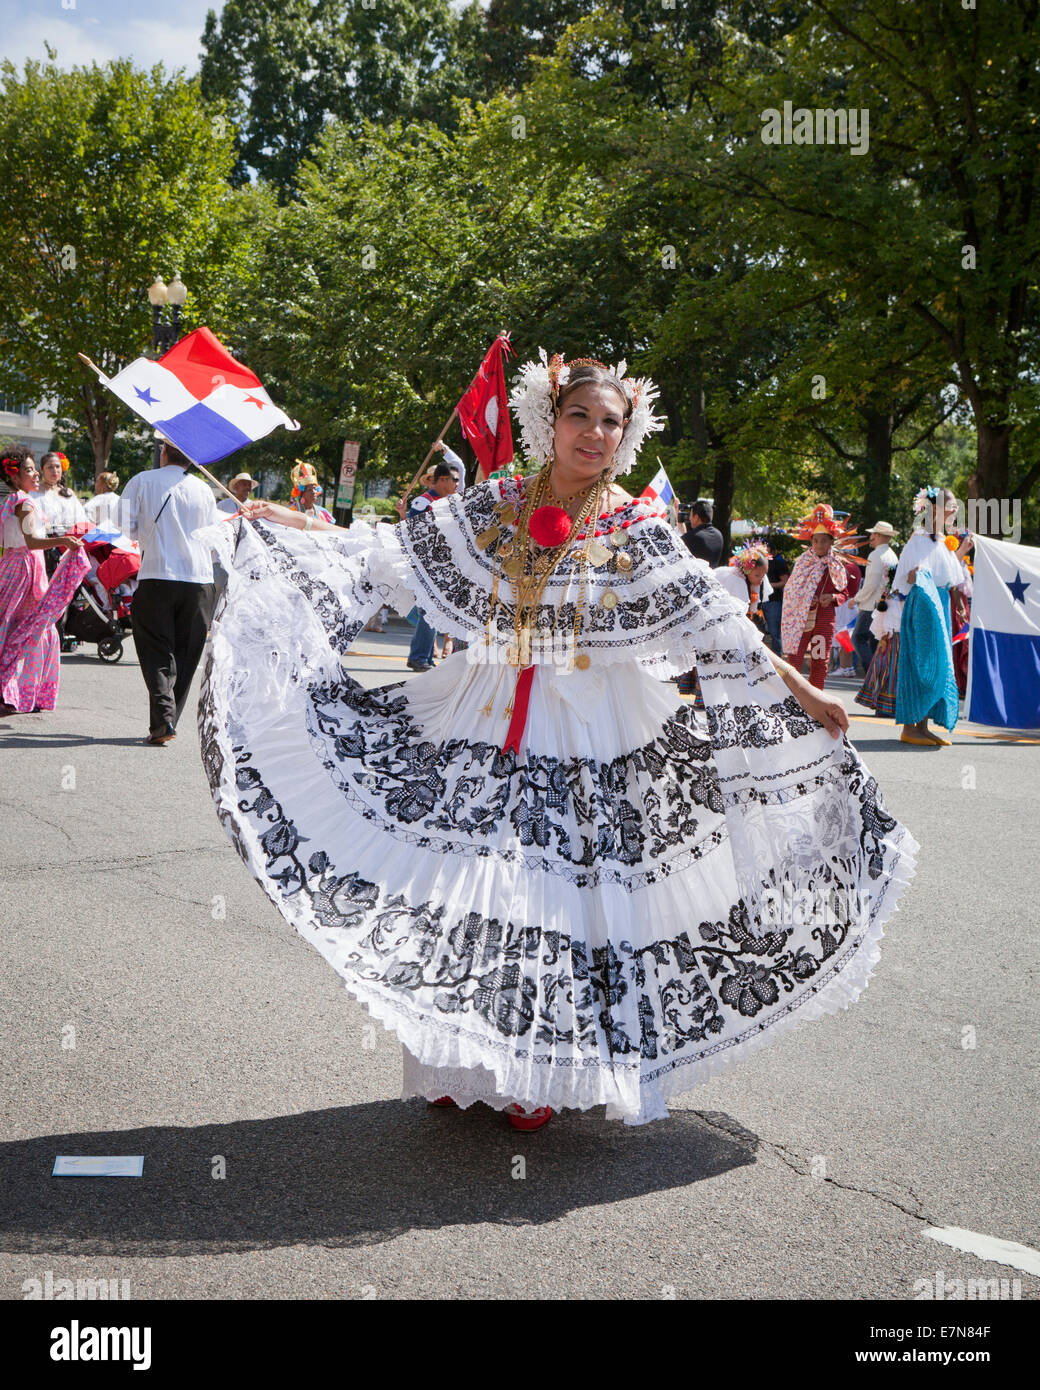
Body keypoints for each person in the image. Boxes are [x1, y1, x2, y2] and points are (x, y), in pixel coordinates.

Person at [193, 350, 918, 1133]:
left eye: (612, 423)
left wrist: (802, 686)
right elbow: (394, 556)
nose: (595, 434)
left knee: (561, 897)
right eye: (581, 417)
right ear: (551, 421)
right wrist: (295, 522)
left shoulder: (638, 524)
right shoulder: (499, 500)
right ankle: (462, 1063)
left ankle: (546, 1071)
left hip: (593, 728)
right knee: (465, 883)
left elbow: (715, 626)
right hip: (480, 708)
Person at [119, 439, 219, 745]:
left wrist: (149, 533)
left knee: (156, 649)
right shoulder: (204, 489)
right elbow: (213, 537)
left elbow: (125, 528)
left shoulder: (141, 481)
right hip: (200, 580)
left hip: (158, 574)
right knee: (187, 655)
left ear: (163, 452)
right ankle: (166, 721)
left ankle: (164, 719)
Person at [0, 448, 89, 713]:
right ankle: (13, 690)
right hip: (24, 569)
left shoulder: (20, 499)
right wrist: (63, 541)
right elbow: (31, 542)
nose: (36, 473)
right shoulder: (23, 502)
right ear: (15, 477)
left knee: (26, 628)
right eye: (29, 470)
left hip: (24, 566)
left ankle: (15, 691)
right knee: (29, 628)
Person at [892, 487, 971, 747]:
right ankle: (909, 727)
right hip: (925, 606)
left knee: (937, 663)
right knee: (921, 662)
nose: (955, 509)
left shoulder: (942, 541)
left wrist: (960, 551)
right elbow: (907, 578)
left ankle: (922, 726)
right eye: (952, 505)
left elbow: (952, 578)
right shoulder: (918, 540)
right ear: (935, 509)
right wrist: (917, 576)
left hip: (941, 603)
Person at [781, 504, 860, 690]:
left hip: (824, 620)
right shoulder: (803, 562)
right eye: (815, 541)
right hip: (801, 619)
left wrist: (833, 597)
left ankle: (816, 699)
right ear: (811, 542)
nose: (819, 545)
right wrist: (806, 598)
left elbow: (846, 591)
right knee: (795, 659)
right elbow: (791, 589)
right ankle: (791, 697)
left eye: (823, 541)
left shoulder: (839, 565)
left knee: (819, 660)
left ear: (831, 542)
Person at [402, 461, 460, 671]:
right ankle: (419, 656)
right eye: (454, 480)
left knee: (434, 612)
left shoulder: (448, 502)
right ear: (442, 479)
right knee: (430, 611)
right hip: (426, 564)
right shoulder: (423, 502)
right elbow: (414, 532)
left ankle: (423, 656)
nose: (457, 484)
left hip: (441, 564)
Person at [30, 451, 90, 652]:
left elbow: (81, 522)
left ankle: (60, 633)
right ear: (41, 470)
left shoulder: (69, 494)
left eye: (57, 467)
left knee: (67, 594)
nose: (55, 471)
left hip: (68, 549)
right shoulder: (35, 494)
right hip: (46, 549)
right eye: (49, 467)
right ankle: (43, 634)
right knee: (45, 594)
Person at [851, 522, 898, 676]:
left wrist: (856, 599)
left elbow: (871, 583)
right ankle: (879, 675)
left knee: (858, 638)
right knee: (874, 641)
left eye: (872, 535)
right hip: (887, 603)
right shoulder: (892, 555)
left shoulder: (875, 555)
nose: (870, 538)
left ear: (877, 536)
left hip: (872, 604)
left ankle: (874, 674)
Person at [761, 540, 790, 652]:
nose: (763, 548)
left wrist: (768, 586)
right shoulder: (756, 562)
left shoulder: (778, 562)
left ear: (771, 549)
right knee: (759, 633)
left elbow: (785, 581)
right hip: (759, 602)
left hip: (774, 602)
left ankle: (778, 661)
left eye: (765, 546)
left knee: (775, 633)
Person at [681, 499, 723, 566]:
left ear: (696, 517)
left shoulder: (692, 537)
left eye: (690, 515)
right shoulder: (719, 535)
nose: (689, 518)